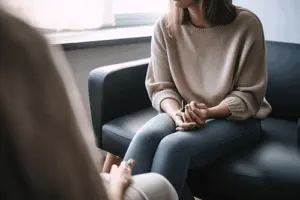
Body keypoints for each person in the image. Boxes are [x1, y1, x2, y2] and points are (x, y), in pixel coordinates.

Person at [0, 7, 178, 200]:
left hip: (200, 113)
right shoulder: (15, 42)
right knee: (161, 182)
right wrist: (116, 184)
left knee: (169, 147)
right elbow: (79, 184)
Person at [123, 0, 272, 199]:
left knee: (173, 147)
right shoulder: (165, 25)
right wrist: (176, 114)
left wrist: (208, 112)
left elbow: (249, 96)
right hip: (183, 110)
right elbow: (161, 86)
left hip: (238, 119)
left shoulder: (247, 25)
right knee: (145, 138)